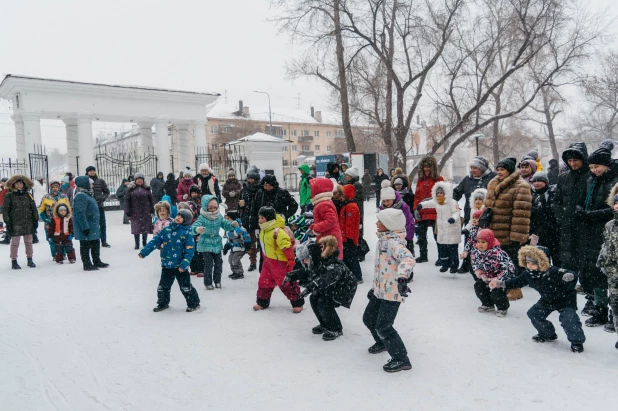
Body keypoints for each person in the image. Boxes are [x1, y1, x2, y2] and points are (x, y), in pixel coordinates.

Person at [490, 245, 585, 353]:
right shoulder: (528, 274)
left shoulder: (553, 271)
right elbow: (517, 282)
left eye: (533, 263)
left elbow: (570, 273)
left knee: (569, 319)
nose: (530, 266)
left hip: (565, 300)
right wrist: (501, 283)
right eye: (528, 263)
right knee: (534, 314)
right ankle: (547, 334)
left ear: (542, 263)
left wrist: (570, 276)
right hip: (547, 299)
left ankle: (577, 342)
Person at [363, 208, 415, 373]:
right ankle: (383, 342)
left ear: (389, 225)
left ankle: (401, 359)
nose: (377, 223)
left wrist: (402, 278)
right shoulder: (383, 240)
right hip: (381, 290)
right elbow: (382, 268)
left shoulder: (394, 243)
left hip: (392, 292)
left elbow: (408, 259)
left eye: (380, 221)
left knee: (384, 326)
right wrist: (374, 288)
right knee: (369, 319)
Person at [575, 141, 618, 327]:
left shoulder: (614, 180)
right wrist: (579, 210)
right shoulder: (590, 179)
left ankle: (612, 314)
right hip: (590, 231)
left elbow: (613, 209)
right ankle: (599, 308)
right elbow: (583, 199)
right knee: (594, 272)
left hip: (608, 230)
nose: (594, 170)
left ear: (606, 165)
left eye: (597, 167)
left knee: (609, 274)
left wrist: (591, 215)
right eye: (591, 167)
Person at [285, 236, 358, 341]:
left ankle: (336, 328)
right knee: (314, 298)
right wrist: (292, 275)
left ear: (311, 256)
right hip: (331, 286)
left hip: (343, 287)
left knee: (324, 302)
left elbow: (325, 279)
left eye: (305, 259)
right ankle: (325, 324)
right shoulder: (318, 260)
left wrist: (311, 286)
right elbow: (309, 273)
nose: (304, 262)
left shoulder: (333, 264)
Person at [483, 157, 532, 301]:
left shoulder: (521, 186)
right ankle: (497, 286)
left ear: (510, 170)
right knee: (497, 262)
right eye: (497, 169)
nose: (499, 172)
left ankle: (514, 289)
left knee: (510, 263)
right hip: (494, 231)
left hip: (509, 232)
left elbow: (521, 214)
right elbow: (487, 206)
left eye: (502, 169)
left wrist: (516, 237)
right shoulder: (493, 183)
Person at [139, 209, 201, 313]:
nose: (178, 217)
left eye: (181, 217)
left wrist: (184, 264)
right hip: (166, 264)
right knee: (163, 286)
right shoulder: (166, 230)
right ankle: (163, 303)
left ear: (186, 220)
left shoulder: (187, 233)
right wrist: (144, 251)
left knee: (185, 286)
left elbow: (189, 251)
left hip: (180, 266)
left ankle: (194, 303)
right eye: (178, 215)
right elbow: (155, 241)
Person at [253, 206, 305, 313]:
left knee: (286, 283)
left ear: (268, 218)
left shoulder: (277, 232)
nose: (260, 220)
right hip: (267, 262)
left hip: (280, 263)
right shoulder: (264, 229)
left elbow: (286, 247)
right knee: (264, 282)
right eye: (259, 217)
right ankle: (262, 302)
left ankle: (297, 302)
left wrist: (291, 260)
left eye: (262, 218)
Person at [553, 142, 589, 298]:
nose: (573, 163)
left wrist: (584, 214)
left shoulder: (590, 176)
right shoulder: (563, 177)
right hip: (567, 225)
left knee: (585, 258)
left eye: (576, 160)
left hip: (585, 225)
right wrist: (562, 217)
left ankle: (588, 289)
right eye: (570, 160)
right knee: (567, 257)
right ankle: (567, 286)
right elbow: (557, 201)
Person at [453, 156, 496, 271]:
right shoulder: (468, 179)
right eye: (471, 167)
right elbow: (456, 192)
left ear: (482, 168)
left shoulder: (492, 178)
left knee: (485, 240)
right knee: (470, 239)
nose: (472, 170)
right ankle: (467, 264)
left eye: (475, 168)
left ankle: (487, 265)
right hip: (470, 215)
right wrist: (450, 202)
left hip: (487, 216)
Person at [190, 194, 237, 290]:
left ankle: (217, 281)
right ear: (205, 207)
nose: (212, 209)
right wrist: (197, 229)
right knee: (208, 264)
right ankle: (208, 282)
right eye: (210, 207)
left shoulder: (218, 216)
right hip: (205, 243)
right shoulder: (202, 217)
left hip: (216, 243)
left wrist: (232, 224)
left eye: (215, 207)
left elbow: (225, 224)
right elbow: (193, 228)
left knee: (219, 263)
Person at [417, 182, 461, 273]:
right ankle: (445, 264)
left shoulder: (452, 202)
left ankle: (454, 265)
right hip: (442, 230)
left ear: (446, 194)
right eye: (438, 193)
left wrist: (453, 218)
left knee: (452, 248)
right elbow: (429, 203)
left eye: (442, 193)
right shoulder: (436, 202)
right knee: (443, 248)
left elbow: (456, 212)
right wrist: (422, 205)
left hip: (452, 229)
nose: (440, 195)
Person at [471, 229, 514, 317]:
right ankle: (488, 304)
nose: (480, 244)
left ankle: (502, 307)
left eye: (483, 242)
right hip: (487, 277)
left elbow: (508, 269)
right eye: (478, 242)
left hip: (502, 278)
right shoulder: (476, 253)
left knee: (497, 292)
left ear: (490, 242)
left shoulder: (498, 254)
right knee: (479, 286)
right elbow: (474, 263)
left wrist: (497, 279)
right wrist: (479, 272)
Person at [73, 176, 109, 271]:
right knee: (85, 245)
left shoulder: (87, 194)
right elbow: (80, 212)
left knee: (95, 243)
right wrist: (85, 227)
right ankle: (87, 263)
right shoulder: (81, 195)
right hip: (87, 226)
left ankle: (96, 261)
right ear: (85, 184)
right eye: (91, 183)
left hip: (92, 225)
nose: (92, 185)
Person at [3, 175, 38, 269]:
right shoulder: (9, 196)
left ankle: (30, 259)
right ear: (13, 185)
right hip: (15, 222)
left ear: (24, 184)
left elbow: (33, 208)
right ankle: (14, 261)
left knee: (28, 242)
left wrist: (36, 219)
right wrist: (7, 222)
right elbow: (5, 210)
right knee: (15, 242)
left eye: (21, 183)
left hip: (28, 222)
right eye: (17, 183)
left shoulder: (28, 195)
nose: (19, 185)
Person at [413, 156, 443, 263]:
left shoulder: (439, 179)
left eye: (429, 166)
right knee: (421, 236)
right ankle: (423, 255)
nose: (427, 169)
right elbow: (417, 195)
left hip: (435, 212)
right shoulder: (420, 180)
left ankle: (441, 257)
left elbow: (443, 196)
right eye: (425, 166)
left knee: (437, 236)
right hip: (422, 212)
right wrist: (415, 209)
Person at [597, 190, 618, 340]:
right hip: (613, 270)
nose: (617, 206)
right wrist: (602, 260)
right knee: (615, 303)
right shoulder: (610, 224)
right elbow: (606, 244)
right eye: (616, 203)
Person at [529, 171, 560, 267]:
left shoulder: (553, 193)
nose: (537, 183)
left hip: (554, 232)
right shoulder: (532, 196)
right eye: (535, 181)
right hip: (538, 232)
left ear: (546, 182)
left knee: (557, 258)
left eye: (540, 181)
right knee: (541, 259)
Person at [380, 180, 415, 261]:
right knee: (393, 257)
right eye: (384, 201)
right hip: (390, 236)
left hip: (404, 234)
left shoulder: (403, 206)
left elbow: (409, 221)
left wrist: (408, 237)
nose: (386, 203)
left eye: (388, 200)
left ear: (393, 198)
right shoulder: (382, 207)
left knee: (406, 255)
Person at [308, 178, 343, 259]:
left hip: (329, 242)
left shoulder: (323, 204)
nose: (310, 191)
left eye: (311, 188)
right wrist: (314, 226)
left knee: (330, 265)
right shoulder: (322, 203)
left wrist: (316, 228)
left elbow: (331, 221)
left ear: (318, 190)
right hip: (327, 239)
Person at [38, 180, 69, 258]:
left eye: (56, 187)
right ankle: (55, 254)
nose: (55, 188)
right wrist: (45, 219)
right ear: (50, 188)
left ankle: (62, 254)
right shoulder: (46, 197)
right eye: (53, 187)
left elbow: (68, 209)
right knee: (51, 239)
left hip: (61, 222)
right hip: (50, 222)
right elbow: (41, 210)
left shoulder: (63, 196)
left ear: (59, 187)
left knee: (62, 238)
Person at [124, 173, 155, 250]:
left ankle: (144, 242)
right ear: (135, 180)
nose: (140, 181)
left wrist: (152, 209)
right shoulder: (130, 189)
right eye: (138, 179)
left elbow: (151, 200)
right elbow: (127, 200)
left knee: (146, 228)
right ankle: (137, 244)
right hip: (135, 211)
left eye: (141, 179)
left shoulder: (147, 189)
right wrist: (127, 210)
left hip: (146, 211)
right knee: (136, 228)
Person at [339, 184, 362, 283]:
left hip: (349, 238)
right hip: (348, 237)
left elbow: (350, 224)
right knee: (349, 258)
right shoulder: (348, 205)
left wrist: (347, 237)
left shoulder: (350, 206)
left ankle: (357, 277)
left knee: (351, 258)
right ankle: (354, 276)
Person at [240, 166, 261, 272]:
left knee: (262, 242)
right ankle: (253, 262)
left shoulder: (260, 190)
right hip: (247, 219)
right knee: (251, 243)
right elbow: (240, 204)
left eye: (252, 178)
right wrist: (241, 206)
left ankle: (263, 262)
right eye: (249, 178)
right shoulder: (244, 190)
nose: (250, 180)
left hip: (259, 219)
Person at [86, 166, 111, 248]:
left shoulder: (100, 181)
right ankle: (91, 240)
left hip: (99, 206)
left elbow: (106, 192)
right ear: (87, 172)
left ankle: (103, 240)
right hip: (89, 207)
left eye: (93, 170)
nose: (92, 172)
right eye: (90, 171)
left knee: (102, 224)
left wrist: (102, 199)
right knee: (91, 224)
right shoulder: (85, 181)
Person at [223, 210, 251, 280]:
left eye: (228, 219)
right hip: (233, 247)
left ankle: (239, 273)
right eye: (226, 219)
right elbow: (228, 239)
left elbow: (246, 235)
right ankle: (235, 272)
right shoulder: (228, 229)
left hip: (240, 247)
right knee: (230, 260)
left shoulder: (239, 228)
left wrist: (248, 244)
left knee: (235, 260)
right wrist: (226, 246)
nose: (227, 220)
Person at [0, 177, 9, 245]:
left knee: (5, 220)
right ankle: (7, 235)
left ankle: (7, 237)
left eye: (2, 182)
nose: (1, 183)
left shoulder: (7, 189)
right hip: (2, 205)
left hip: (4, 206)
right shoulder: (3, 189)